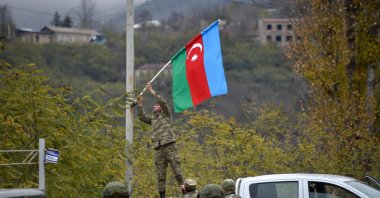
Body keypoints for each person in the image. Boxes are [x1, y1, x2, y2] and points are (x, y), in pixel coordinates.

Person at [137, 82, 184, 198]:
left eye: (156, 105)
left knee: (176, 169)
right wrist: (139, 104)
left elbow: (163, 102)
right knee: (160, 174)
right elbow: (142, 117)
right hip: (158, 148)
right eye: (154, 105)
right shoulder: (153, 119)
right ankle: (162, 195)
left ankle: (185, 192)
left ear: (161, 108)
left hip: (169, 145)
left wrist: (151, 90)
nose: (154, 106)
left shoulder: (166, 114)